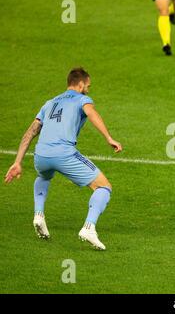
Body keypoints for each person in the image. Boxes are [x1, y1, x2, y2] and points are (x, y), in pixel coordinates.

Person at [4, 67, 122, 250]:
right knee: (103, 187)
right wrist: (109, 138)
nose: (89, 89)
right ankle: (89, 228)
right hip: (63, 153)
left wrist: (17, 162)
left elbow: (30, 133)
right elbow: (92, 113)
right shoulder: (82, 99)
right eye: (88, 86)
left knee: (44, 176)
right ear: (81, 83)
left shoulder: (49, 103)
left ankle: (38, 215)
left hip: (41, 154)